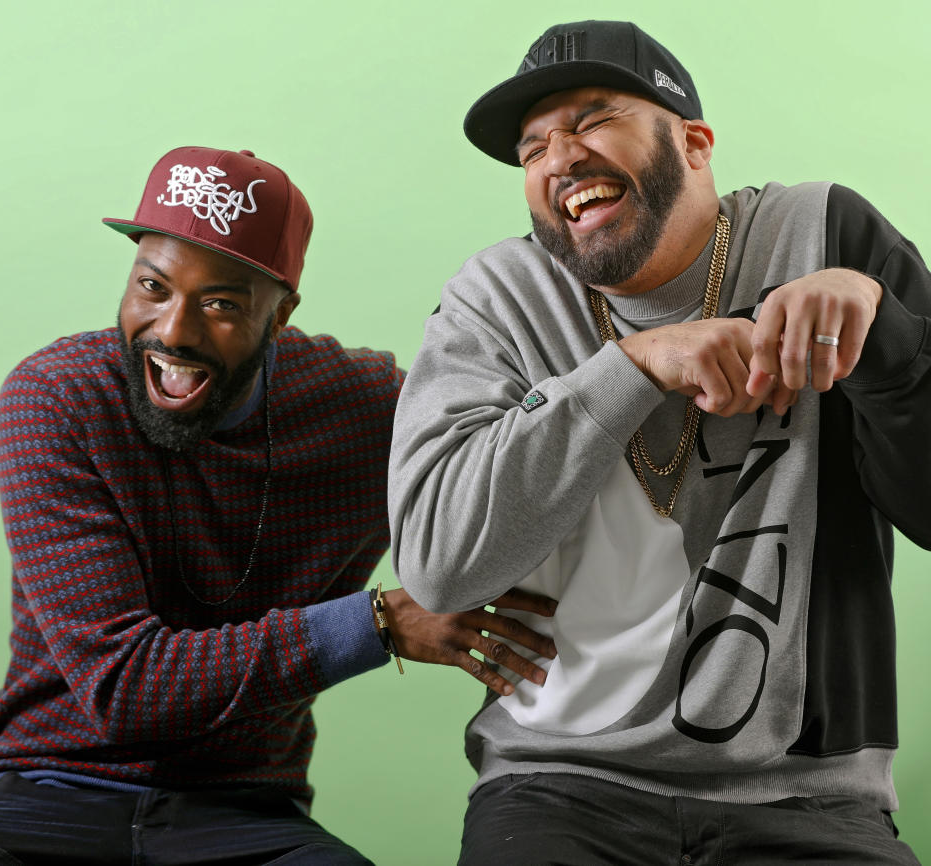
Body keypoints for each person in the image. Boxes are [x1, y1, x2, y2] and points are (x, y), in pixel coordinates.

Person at [388, 20, 930, 865]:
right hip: (555, 781)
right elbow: (438, 564)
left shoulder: (823, 238)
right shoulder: (497, 298)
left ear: (694, 142)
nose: (559, 157)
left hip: (808, 793)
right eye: (533, 149)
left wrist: (885, 341)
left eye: (594, 119)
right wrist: (631, 368)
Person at [0, 146, 557, 865]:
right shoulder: (56, 399)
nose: (174, 331)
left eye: (220, 303)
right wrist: (379, 623)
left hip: (241, 810)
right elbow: (125, 687)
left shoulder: (366, 412)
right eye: (152, 286)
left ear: (281, 316)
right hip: (46, 790)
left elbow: (514, 452)